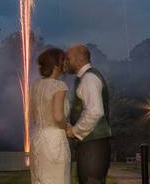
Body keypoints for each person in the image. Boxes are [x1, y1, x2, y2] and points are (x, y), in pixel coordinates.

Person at [65, 44, 112, 184]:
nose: (66, 62)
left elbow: (95, 111)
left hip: (93, 146)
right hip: (93, 144)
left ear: (79, 60)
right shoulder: (87, 77)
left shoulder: (89, 79)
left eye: (69, 58)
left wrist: (74, 131)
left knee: (91, 181)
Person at [30, 47, 71, 184]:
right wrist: (68, 128)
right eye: (63, 60)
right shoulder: (59, 86)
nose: (66, 63)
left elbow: (32, 116)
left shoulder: (35, 86)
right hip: (55, 141)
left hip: (37, 139)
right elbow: (58, 116)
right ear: (55, 64)